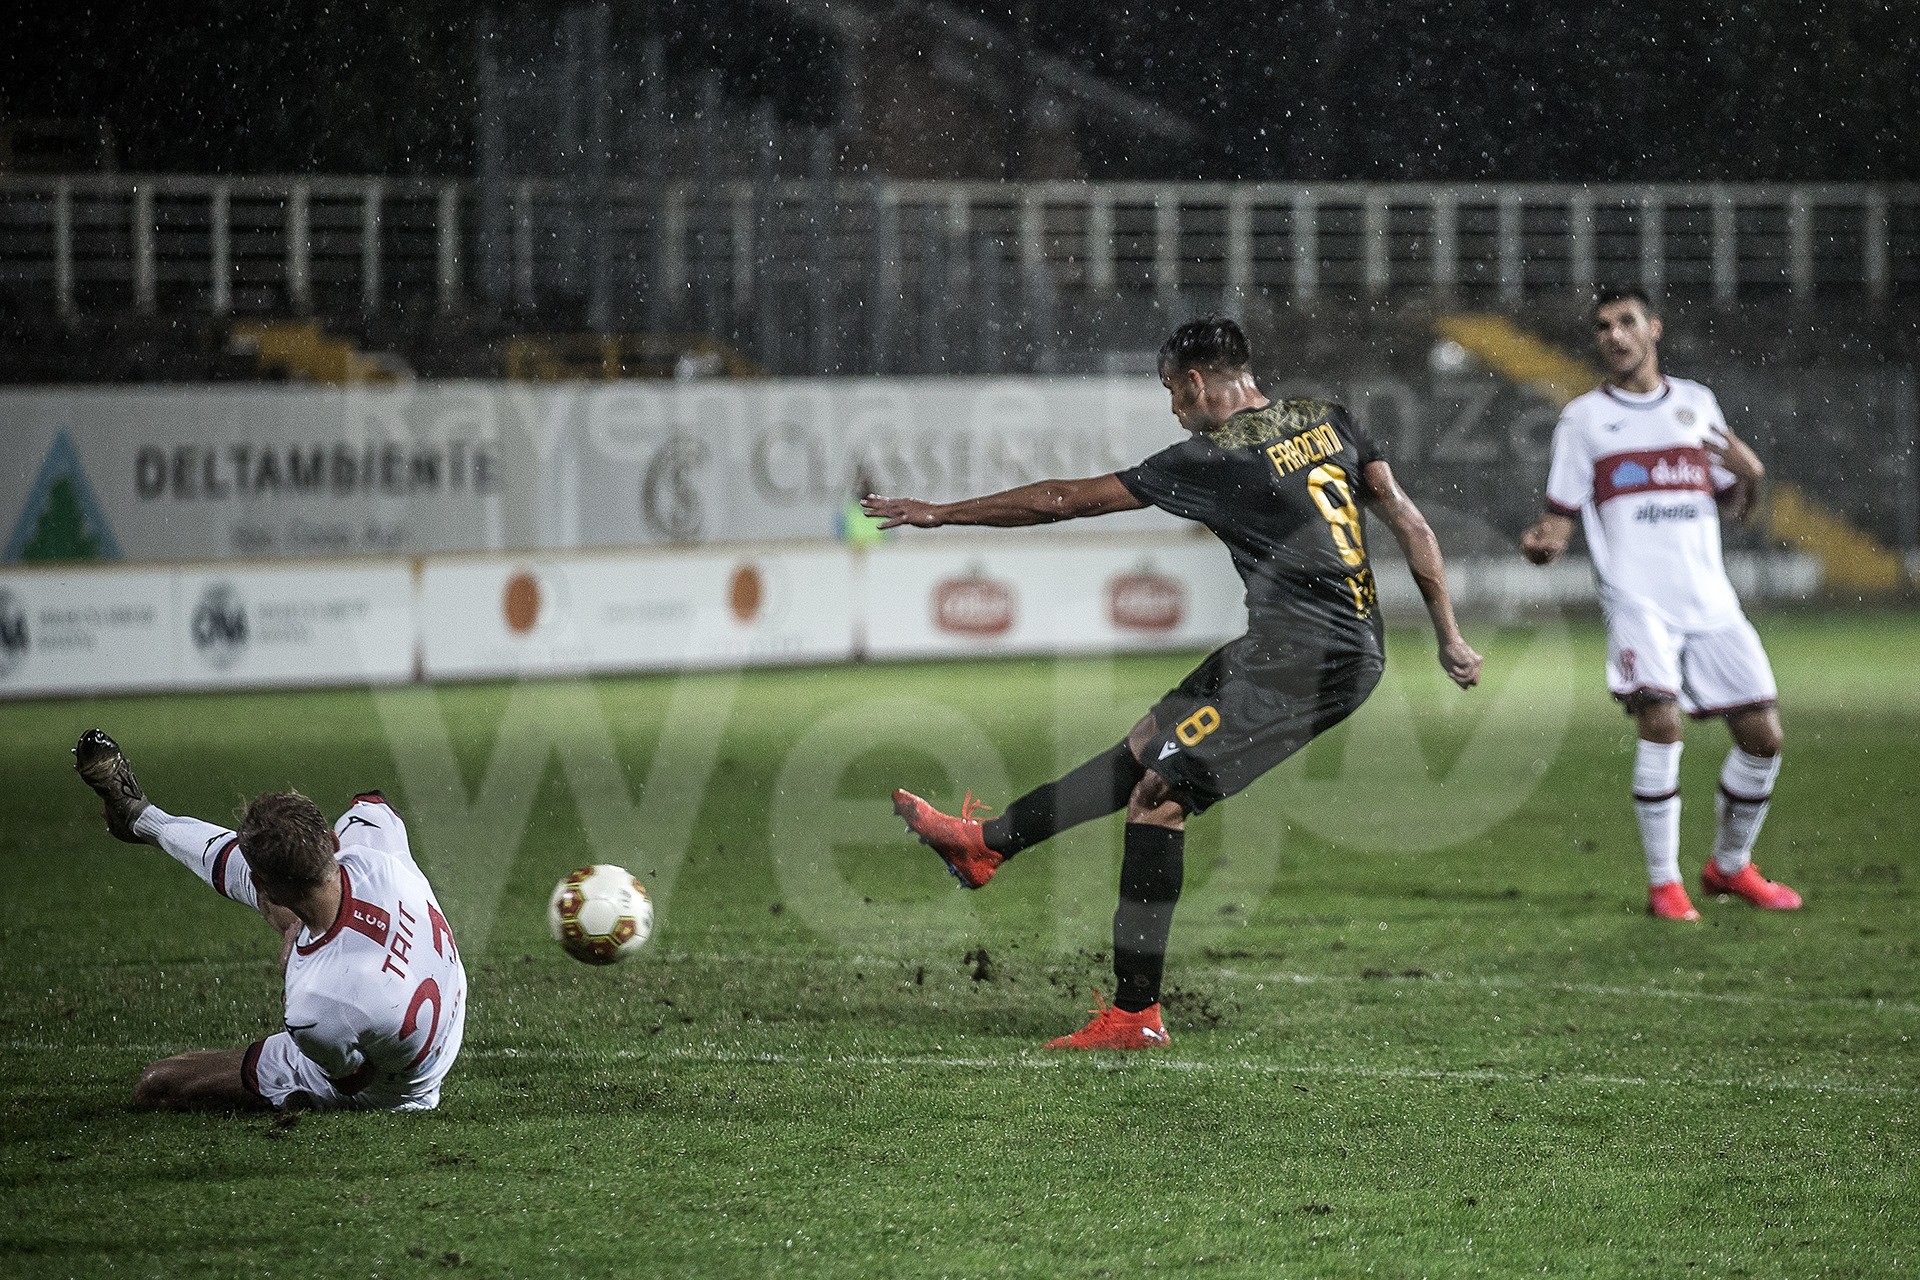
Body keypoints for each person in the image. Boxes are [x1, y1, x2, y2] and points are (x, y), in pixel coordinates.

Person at [863, 316, 1482, 1050]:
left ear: (1195, 381)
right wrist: (1448, 634)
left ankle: (1135, 1015)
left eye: (1171, 392)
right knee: (1148, 742)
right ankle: (986, 845)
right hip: (1297, 646)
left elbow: (1065, 499)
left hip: (1312, 662)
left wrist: (942, 514)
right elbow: (1411, 524)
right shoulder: (1328, 418)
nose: (1173, 408)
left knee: (1158, 799)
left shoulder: (1216, 456)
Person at [1520, 287, 1801, 921]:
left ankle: (1729, 867)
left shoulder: (1697, 404)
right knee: (1661, 722)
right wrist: (1542, 545)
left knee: (1763, 737)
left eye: (1625, 322)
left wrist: (1751, 477)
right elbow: (1557, 521)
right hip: (1636, 600)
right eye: (1602, 327)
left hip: (1709, 600)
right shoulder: (1584, 420)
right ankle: (1663, 883)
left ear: (1654, 328)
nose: (1613, 335)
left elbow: (1734, 508)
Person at [72, 729, 467, 1111]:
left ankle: (289, 1093)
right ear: (332, 841)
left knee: (156, 1085)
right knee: (299, 873)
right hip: (445, 1010)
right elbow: (373, 802)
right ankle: (140, 817)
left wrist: (297, 954)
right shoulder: (376, 850)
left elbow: (353, 1081)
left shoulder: (313, 1002)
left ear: (264, 888)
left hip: (396, 1090)